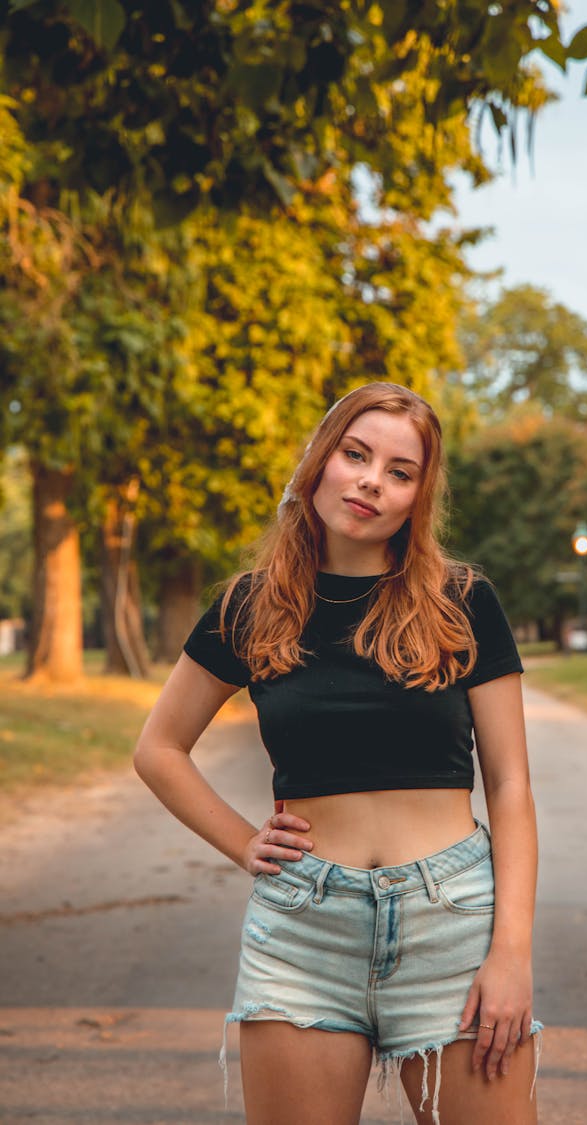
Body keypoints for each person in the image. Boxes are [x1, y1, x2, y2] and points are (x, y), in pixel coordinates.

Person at [134, 382, 542, 1125]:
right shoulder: (249, 606)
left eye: (399, 470)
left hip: (451, 924)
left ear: (418, 495)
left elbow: (510, 784)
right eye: (355, 454)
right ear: (321, 461)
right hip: (303, 929)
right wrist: (243, 842)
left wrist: (511, 951)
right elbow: (159, 748)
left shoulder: (463, 599)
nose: (369, 481)